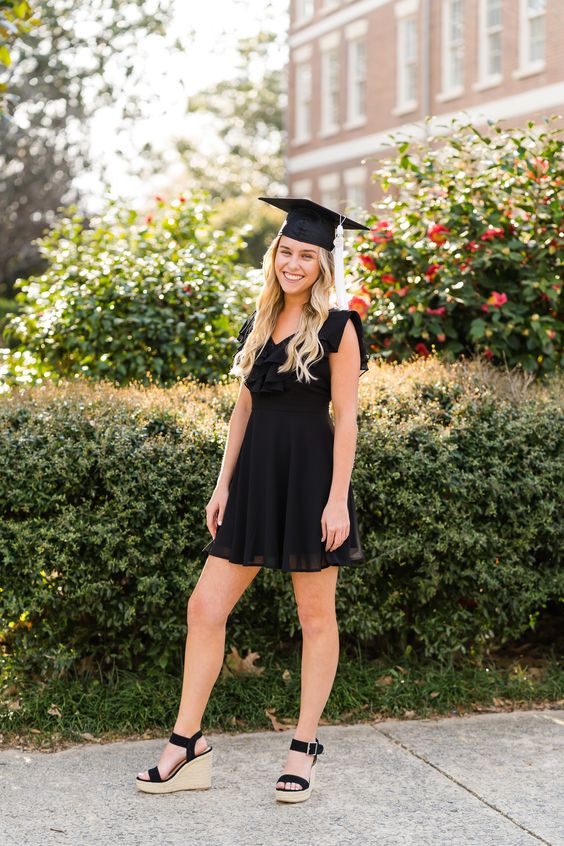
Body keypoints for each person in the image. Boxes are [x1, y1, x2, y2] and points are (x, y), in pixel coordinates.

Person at [136, 197, 370, 803]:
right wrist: (222, 483)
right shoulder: (259, 322)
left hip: (311, 483)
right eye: (286, 252)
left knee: (316, 618)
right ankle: (187, 744)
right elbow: (244, 408)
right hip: (254, 483)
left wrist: (338, 500)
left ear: (323, 263)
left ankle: (303, 748)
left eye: (307, 255)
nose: (294, 263)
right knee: (203, 609)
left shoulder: (341, 328)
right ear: (275, 256)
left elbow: (345, 419)